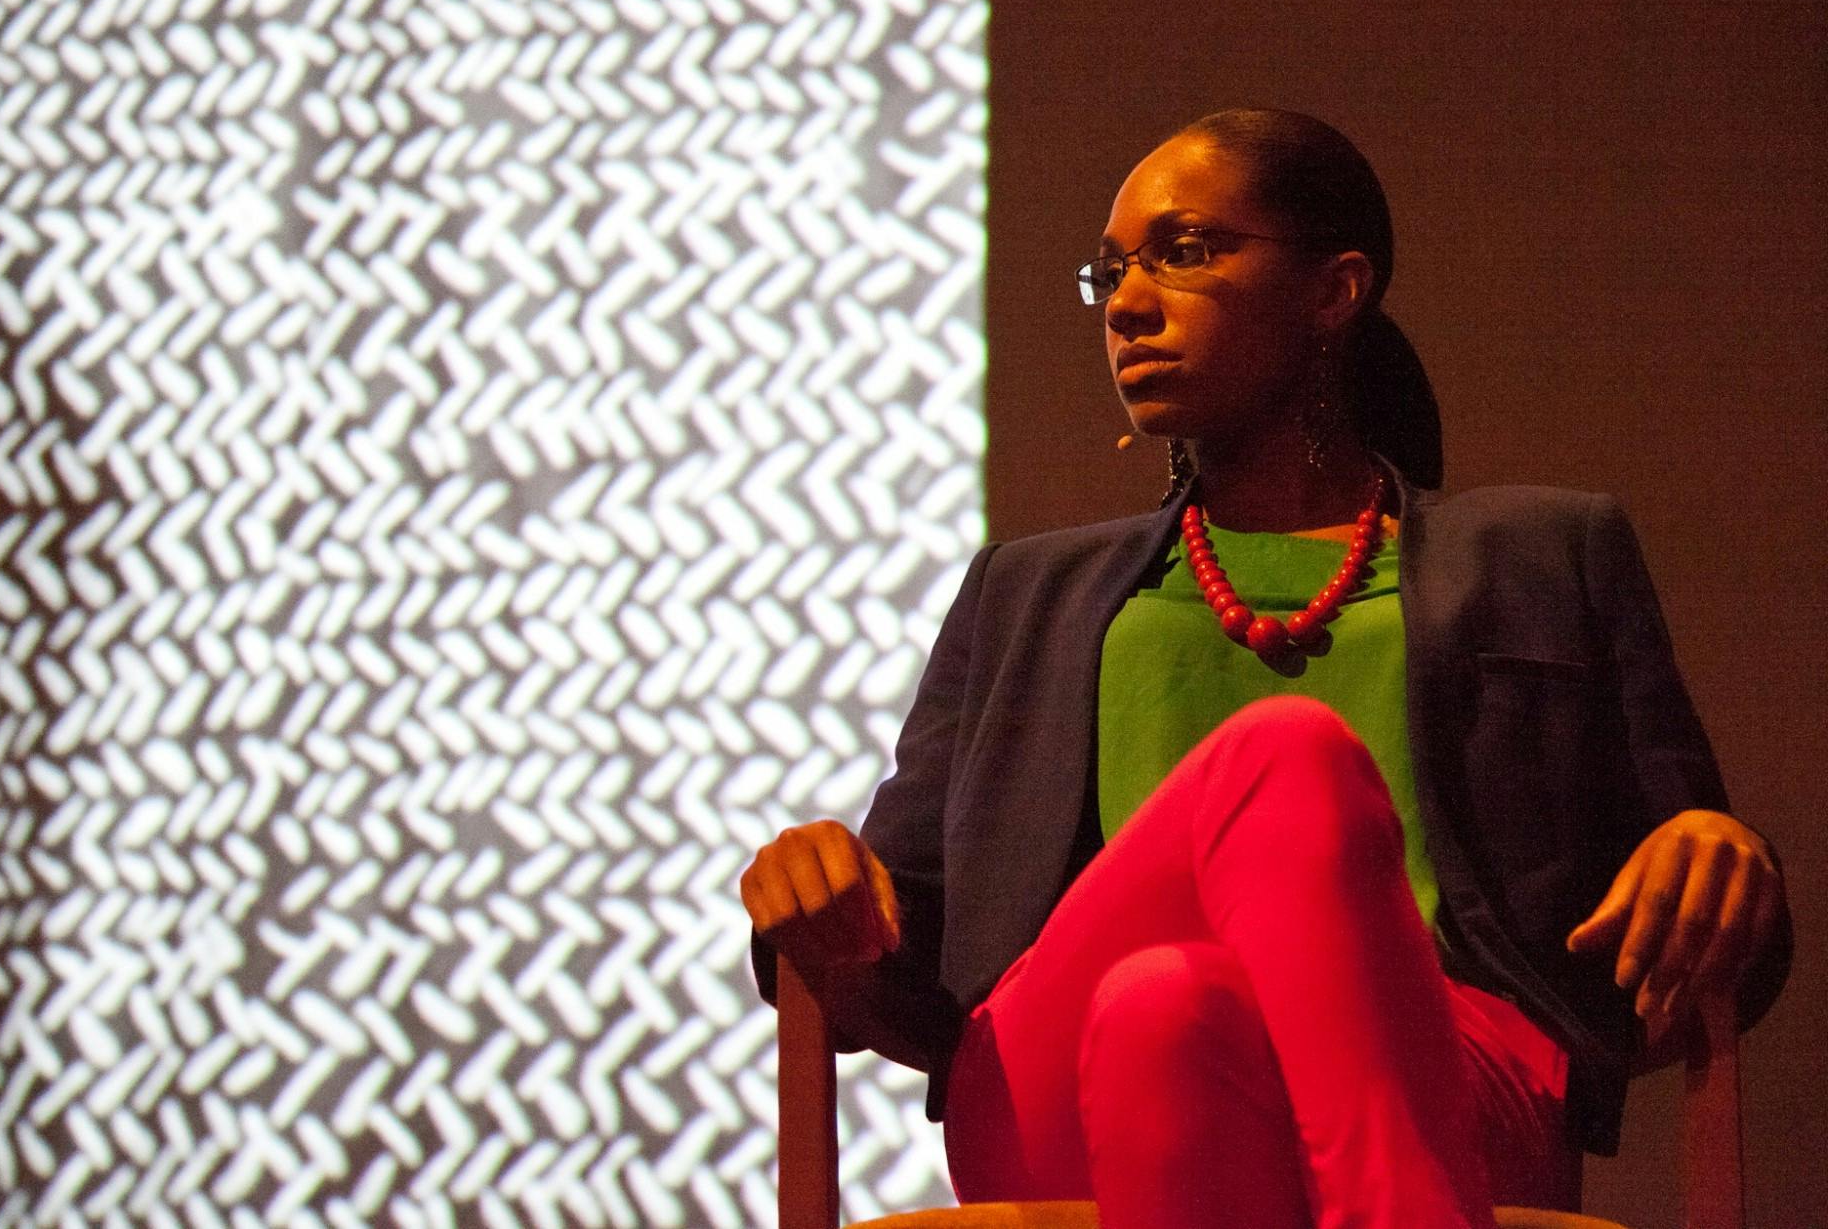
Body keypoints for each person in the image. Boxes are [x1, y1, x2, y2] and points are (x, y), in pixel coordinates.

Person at [737, 109, 1790, 1228]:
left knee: (1169, 999)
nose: (1129, 304)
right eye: (1109, 273)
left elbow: (1699, 907)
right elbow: (905, 939)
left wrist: (1723, 851)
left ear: (1333, 291)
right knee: (1279, 762)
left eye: (1184, 251)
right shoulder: (1023, 589)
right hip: (1056, 1082)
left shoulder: (1543, 551)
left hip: (1454, 1066)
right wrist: (817, 891)